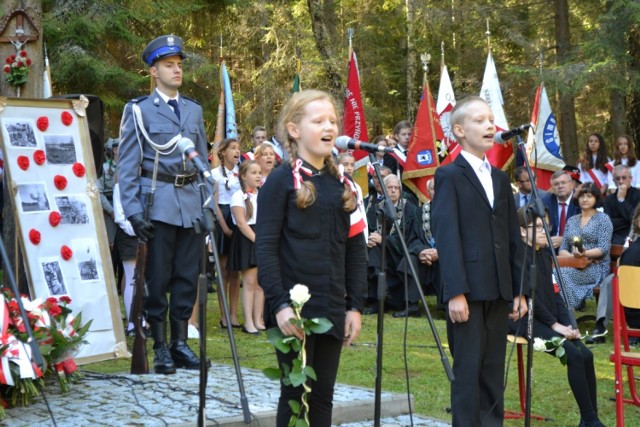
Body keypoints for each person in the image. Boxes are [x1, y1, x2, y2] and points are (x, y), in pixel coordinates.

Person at [255, 89, 366, 426]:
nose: (328, 127)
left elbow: (356, 250)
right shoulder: (279, 182)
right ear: (294, 129)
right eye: (318, 121)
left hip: (332, 307)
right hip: (293, 310)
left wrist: (355, 306)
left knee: (322, 397)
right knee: (294, 393)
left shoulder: (342, 185)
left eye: (332, 120)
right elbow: (266, 248)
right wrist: (280, 305)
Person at [431, 96, 527, 426]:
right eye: (480, 120)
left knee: (491, 373)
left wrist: (519, 289)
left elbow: (512, 237)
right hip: (468, 290)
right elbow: (447, 235)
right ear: (459, 130)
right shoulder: (449, 175)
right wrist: (455, 291)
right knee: (468, 373)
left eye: (491, 120)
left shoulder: (501, 179)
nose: (490, 126)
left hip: (499, 287)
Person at [118, 34, 207, 374]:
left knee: (186, 276)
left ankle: (180, 342)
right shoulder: (139, 111)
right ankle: (158, 345)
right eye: (169, 65)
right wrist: (133, 211)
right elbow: (128, 166)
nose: (176, 70)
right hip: (157, 202)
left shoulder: (193, 110)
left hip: (189, 202)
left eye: (179, 65)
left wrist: (206, 205)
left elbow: (201, 160)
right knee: (158, 277)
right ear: (153, 71)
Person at [510, 208, 602, 427]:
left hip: (550, 319)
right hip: (527, 320)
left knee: (585, 355)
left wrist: (570, 325)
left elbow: (555, 293)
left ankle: (590, 419)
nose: (545, 231)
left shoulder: (543, 253)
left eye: (546, 227)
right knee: (572, 354)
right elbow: (530, 299)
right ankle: (589, 419)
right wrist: (556, 325)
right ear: (523, 231)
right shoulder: (518, 255)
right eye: (539, 227)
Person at [588, 203, 640, 343]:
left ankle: (635, 331)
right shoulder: (634, 240)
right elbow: (623, 262)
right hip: (629, 279)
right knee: (610, 281)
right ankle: (600, 328)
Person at [364, 174, 416, 314]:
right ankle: (378, 299)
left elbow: (410, 238)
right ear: (383, 190)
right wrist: (370, 239)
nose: (393, 190)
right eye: (389, 187)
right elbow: (371, 231)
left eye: (396, 188)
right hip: (381, 253)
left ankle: (380, 297)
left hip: (400, 252)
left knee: (376, 250)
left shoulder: (409, 209)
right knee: (372, 249)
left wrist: (384, 240)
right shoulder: (376, 208)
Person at [558, 183, 613, 309]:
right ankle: (563, 309)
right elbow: (563, 249)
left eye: (589, 196)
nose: (585, 199)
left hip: (596, 267)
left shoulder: (603, 219)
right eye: (582, 196)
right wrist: (573, 257)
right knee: (554, 273)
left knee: (561, 274)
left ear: (596, 198)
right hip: (574, 265)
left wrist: (584, 253)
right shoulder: (572, 220)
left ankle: (568, 309)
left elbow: (603, 248)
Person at [394, 178, 440, 318]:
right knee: (410, 260)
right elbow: (413, 239)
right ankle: (412, 306)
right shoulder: (419, 213)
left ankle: (446, 306)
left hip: (445, 255)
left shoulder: (455, 211)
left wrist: (440, 252)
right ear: (427, 191)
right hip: (424, 257)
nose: (436, 191)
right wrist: (421, 251)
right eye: (432, 188)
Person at [228, 160, 265, 335]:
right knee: (249, 282)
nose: (258, 176)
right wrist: (258, 241)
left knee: (260, 282)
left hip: (260, 235)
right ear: (243, 176)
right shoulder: (238, 196)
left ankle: (258, 319)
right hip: (247, 238)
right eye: (254, 173)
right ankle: (248, 322)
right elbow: (242, 224)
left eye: (259, 172)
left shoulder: (262, 194)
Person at [211, 137, 242, 328]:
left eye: (239, 148)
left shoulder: (242, 172)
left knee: (235, 271)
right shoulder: (214, 174)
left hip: (237, 217)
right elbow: (215, 203)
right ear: (223, 153)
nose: (237, 152)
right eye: (233, 148)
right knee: (223, 271)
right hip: (222, 218)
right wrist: (224, 227)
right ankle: (223, 315)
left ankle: (233, 313)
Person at [112, 181, 139, 336]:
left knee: (144, 278)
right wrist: (137, 229)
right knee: (132, 278)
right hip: (129, 234)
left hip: (148, 234)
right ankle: (132, 323)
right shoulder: (120, 186)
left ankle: (142, 319)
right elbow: (120, 216)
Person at [543, 169, 581, 250]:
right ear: (552, 188)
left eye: (563, 182)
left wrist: (565, 240)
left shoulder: (580, 200)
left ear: (571, 184)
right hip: (550, 248)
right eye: (556, 184)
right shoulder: (545, 201)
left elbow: (586, 232)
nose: (560, 186)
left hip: (576, 247)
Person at [604, 164, 640, 244]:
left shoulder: (638, 195)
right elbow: (608, 225)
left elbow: (635, 220)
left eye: (624, 178)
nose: (621, 181)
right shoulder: (609, 200)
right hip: (613, 240)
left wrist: (621, 200)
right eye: (617, 178)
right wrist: (627, 221)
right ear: (613, 181)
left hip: (634, 238)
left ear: (630, 179)